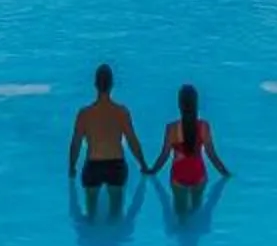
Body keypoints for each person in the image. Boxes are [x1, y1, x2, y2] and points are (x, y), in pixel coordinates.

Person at [68, 65, 145, 207]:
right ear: (112, 85)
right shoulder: (121, 112)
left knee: (91, 214)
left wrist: (72, 167)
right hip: (116, 166)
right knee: (116, 214)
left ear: (95, 85)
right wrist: (143, 165)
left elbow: (76, 144)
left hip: (93, 166)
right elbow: (132, 141)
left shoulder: (84, 114)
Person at [155, 82, 229, 209]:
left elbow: (164, 156)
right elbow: (212, 155)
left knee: (180, 215)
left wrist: (151, 171)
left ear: (179, 105)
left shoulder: (172, 128)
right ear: (196, 104)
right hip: (198, 173)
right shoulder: (204, 126)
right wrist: (226, 173)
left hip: (179, 175)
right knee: (197, 210)